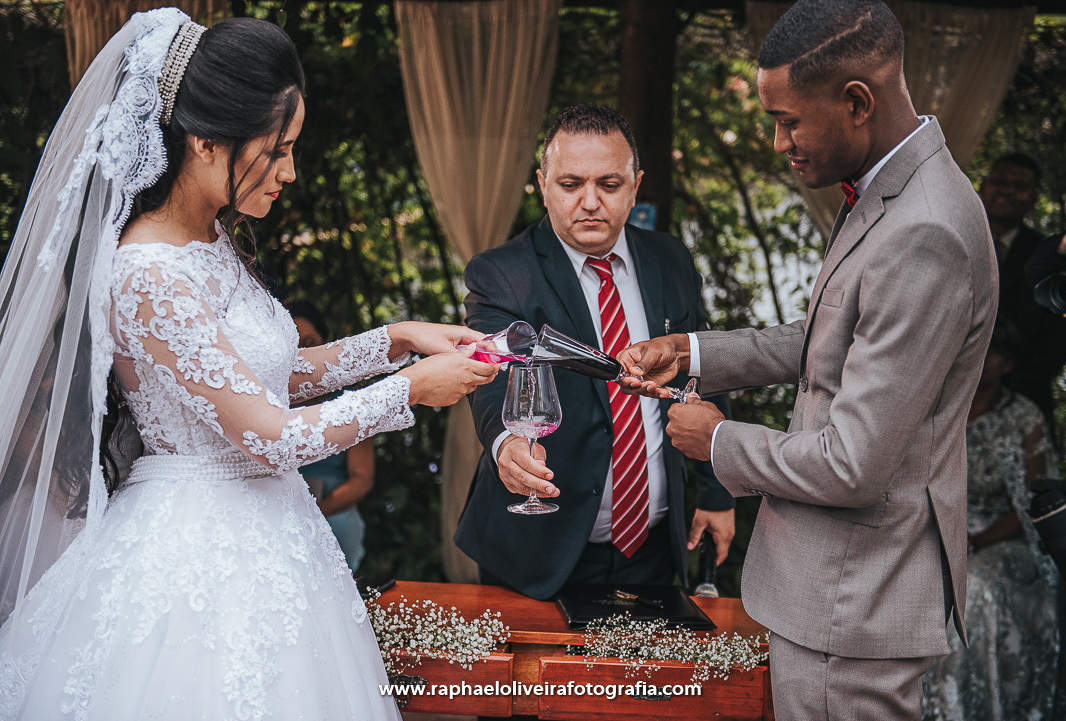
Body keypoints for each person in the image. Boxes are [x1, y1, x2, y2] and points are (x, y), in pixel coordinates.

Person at [0, 10, 496, 720]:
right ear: (205, 142)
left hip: (273, 529)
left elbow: (263, 378)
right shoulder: (149, 272)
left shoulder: (210, 241)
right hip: (197, 552)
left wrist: (397, 339)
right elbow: (268, 434)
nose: (291, 171)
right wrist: (407, 391)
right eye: (277, 150)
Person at [617, 1, 997, 718]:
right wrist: (690, 351)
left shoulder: (926, 230)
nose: (778, 142)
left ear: (856, 102)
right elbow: (828, 334)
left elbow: (853, 463)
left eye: (789, 121)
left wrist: (718, 441)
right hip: (837, 596)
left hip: (853, 604)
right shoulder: (891, 190)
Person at [454, 104, 736, 600]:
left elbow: (702, 369)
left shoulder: (670, 259)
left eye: (609, 184)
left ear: (635, 186)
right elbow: (489, 379)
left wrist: (717, 491)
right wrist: (507, 443)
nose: (590, 202)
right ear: (543, 184)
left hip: (652, 545)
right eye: (570, 184)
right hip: (536, 549)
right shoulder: (500, 273)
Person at [922, 319, 1066, 720]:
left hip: (1004, 540)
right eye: (978, 348)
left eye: (994, 352)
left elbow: (1031, 506)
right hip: (939, 533)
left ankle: (963, 710)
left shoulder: (1024, 418)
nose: (983, 359)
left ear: (1008, 363)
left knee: (973, 588)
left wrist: (974, 542)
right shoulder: (942, 410)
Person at [980, 154, 1066, 427]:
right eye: (1000, 181)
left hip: (1020, 406)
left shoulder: (1052, 258)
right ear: (984, 185)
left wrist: (998, 383)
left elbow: (1061, 337)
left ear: (1034, 198)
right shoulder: (948, 236)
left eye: (1019, 186)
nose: (1007, 190)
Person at [284, 298, 375, 573]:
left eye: (310, 343)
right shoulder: (266, 403)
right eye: (294, 346)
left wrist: (317, 512)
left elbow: (362, 479)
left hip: (333, 510)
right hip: (278, 506)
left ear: (326, 344)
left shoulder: (349, 403)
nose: (302, 354)